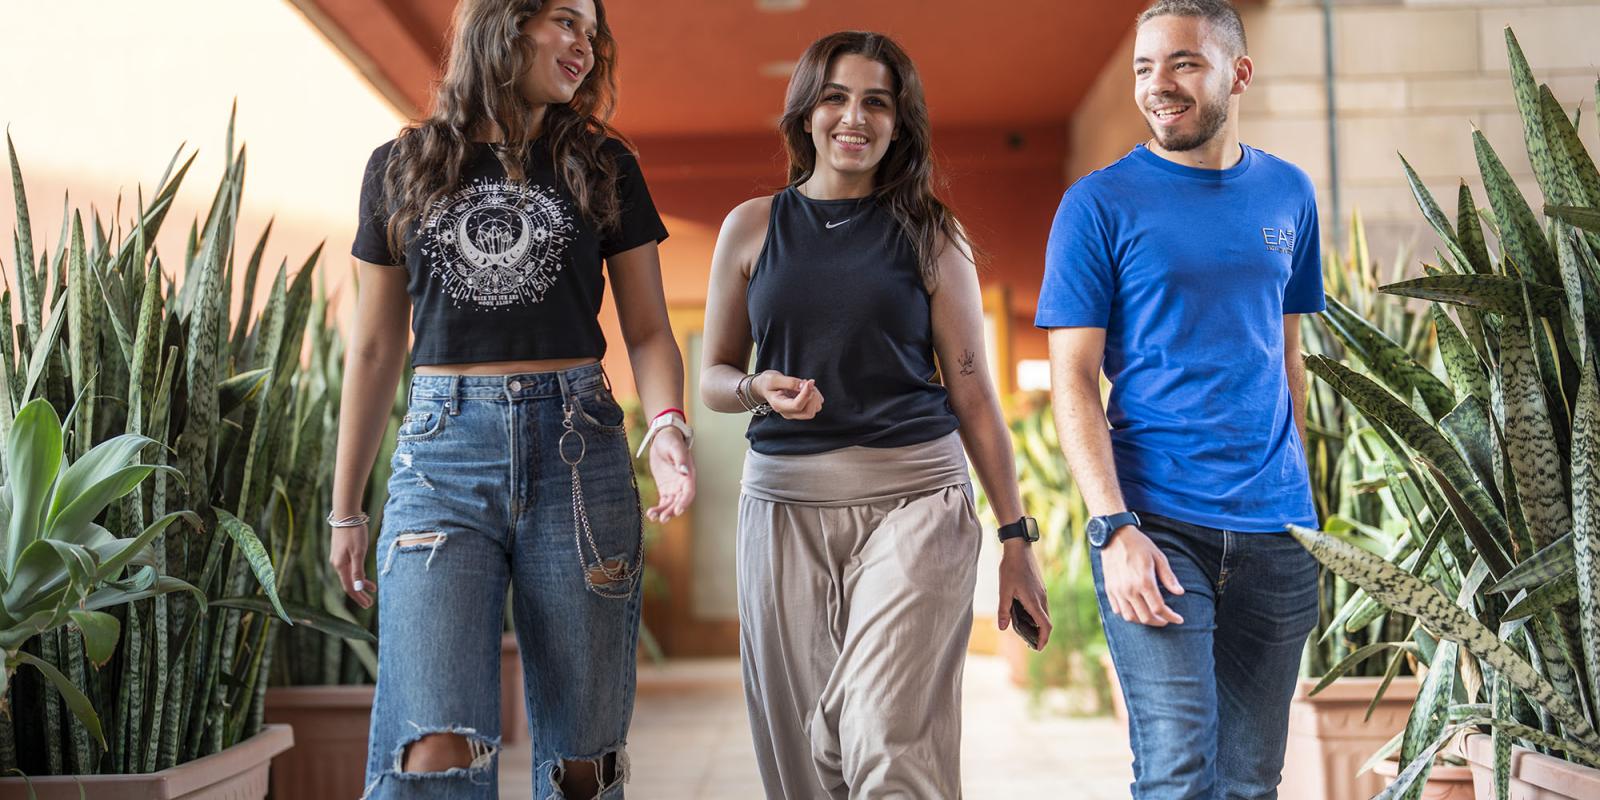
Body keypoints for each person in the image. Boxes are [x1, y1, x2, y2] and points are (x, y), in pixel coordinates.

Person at [329, 1, 695, 797]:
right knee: (433, 744)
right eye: (566, 21)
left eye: (592, 33)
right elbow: (374, 346)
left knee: (581, 766)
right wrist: (345, 508)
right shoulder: (402, 167)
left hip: (579, 451)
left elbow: (650, 332)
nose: (584, 45)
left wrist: (668, 427)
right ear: (506, 22)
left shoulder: (603, 166)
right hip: (441, 460)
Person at [699, 30, 1052, 799]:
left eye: (876, 102)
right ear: (806, 113)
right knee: (804, 759)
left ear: (899, 124)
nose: (853, 117)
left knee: (886, 737)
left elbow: (974, 393)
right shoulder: (752, 227)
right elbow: (714, 377)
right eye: (835, 97)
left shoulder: (930, 234)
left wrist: (1017, 540)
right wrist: (759, 389)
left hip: (917, 498)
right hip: (783, 507)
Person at [1037, 1, 1324, 796]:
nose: (1158, 85)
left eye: (1183, 64)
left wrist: (1304, 508)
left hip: (1277, 531)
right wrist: (1113, 525)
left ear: (1238, 73)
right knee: (1177, 769)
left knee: (1252, 781)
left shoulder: (1289, 195)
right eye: (1143, 67)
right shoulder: (1098, 206)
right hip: (1156, 525)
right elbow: (1072, 380)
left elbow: (1286, 355)